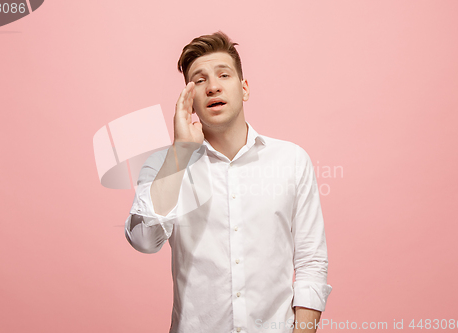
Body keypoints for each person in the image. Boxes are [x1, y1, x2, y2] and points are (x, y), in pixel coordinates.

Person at [124, 31, 332, 333]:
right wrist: (180, 154)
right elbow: (144, 241)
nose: (212, 86)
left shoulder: (291, 160)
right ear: (188, 98)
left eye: (224, 74)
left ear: (244, 88)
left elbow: (312, 262)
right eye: (198, 80)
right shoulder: (163, 165)